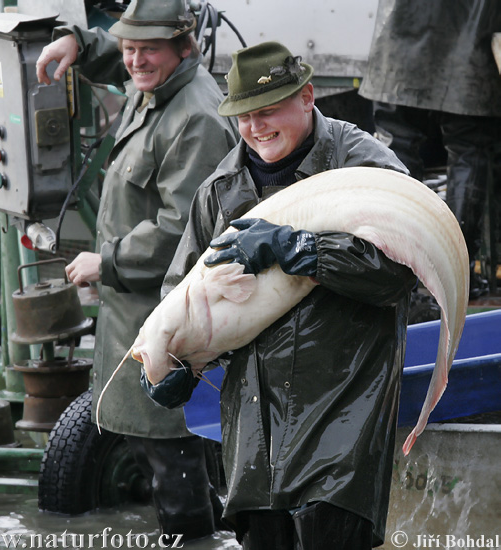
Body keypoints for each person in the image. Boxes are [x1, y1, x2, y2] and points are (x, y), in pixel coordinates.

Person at [153, 41, 418, 550]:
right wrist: (176, 365)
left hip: (344, 409)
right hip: (253, 427)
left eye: (268, 110)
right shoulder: (220, 190)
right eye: (243, 116)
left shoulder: (360, 162)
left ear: (308, 97)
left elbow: (402, 270)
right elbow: (182, 291)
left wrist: (306, 250)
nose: (256, 127)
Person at [35, 0, 238, 541]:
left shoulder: (196, 117)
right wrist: (80, 42)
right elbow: (127, 64)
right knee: (158, 447)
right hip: (134, 310)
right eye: (128, 47)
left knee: (173, 451)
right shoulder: (156, 85)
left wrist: (108, 261)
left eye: (150, 48)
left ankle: (195, 538)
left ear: (184, 46)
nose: (136, 60)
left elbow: (182, 228)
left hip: (164, 314)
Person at [359, 0, 501, 298]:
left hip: (399, 42)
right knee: (470, 150)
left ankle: (400, 269)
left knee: (397, 150)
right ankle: (458, 274)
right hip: (473, 45)